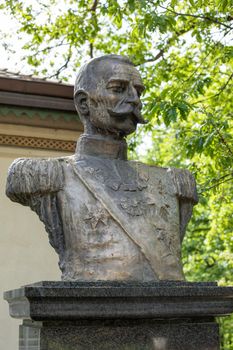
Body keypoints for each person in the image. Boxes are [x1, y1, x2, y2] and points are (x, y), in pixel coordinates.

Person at [6, 55, 198, 281]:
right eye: (119, 89)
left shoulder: (173, 182)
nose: (134, 100)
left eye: (138, 91)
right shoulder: (47, 176)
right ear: (84, 103)